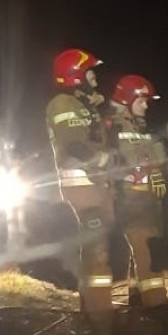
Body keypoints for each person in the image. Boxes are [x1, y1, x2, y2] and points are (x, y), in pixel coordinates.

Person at [44, 48, 116, 318]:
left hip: (94, 185)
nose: (94, 77)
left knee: (97, 247)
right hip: (82, 186)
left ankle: (94, 308)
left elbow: (93, 135)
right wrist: (103, 160)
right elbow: (74, 144)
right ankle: (102, 314)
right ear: (75, 76)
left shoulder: (82, 104)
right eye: (90, 72)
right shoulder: (63, 103)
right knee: (97, 249)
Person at [107, 73, 168, 310]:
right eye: (141, 101)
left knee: (143, 244)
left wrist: (157, 171)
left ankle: (136, 295)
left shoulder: (144, 127)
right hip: (130, 196)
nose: (146, 106)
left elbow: (159, 157)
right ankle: (157, 302)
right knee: (147, 246)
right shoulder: (111, 128)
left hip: (148, 197)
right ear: (127, 100)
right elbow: (111, 163)